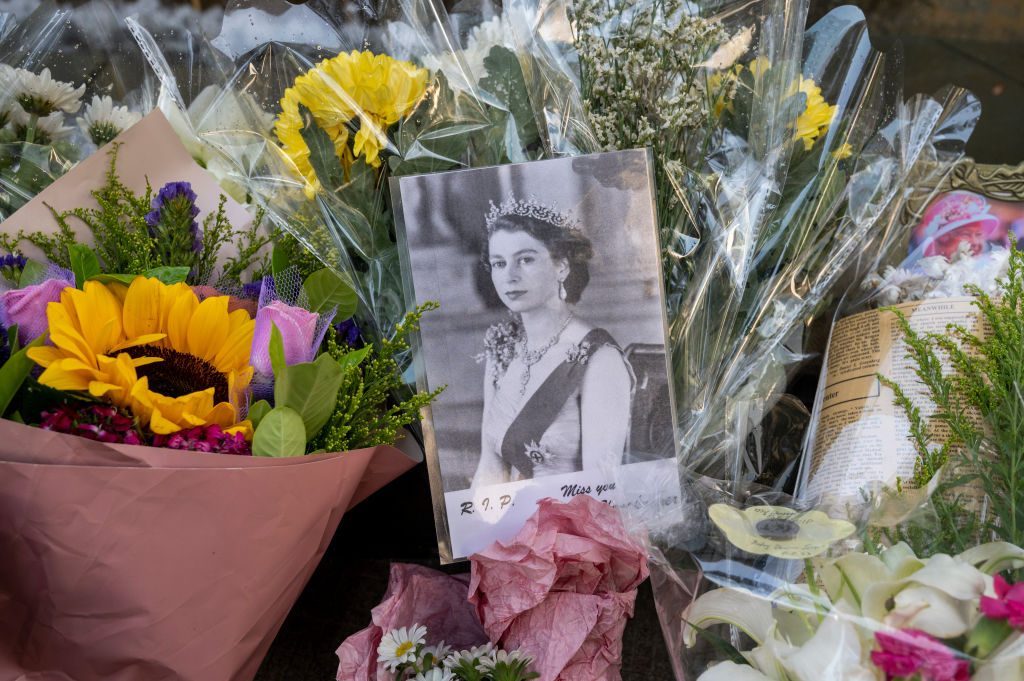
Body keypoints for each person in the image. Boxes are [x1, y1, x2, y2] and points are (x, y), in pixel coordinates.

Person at [471, 196, 633, 487]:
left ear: (561, 266)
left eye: (526, 259)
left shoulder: (599, 358)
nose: (509, 276)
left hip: (571, 525)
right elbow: (489, 466)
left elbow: (601, 489)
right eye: (499, 263)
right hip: (511, 525)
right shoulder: (502, 348)